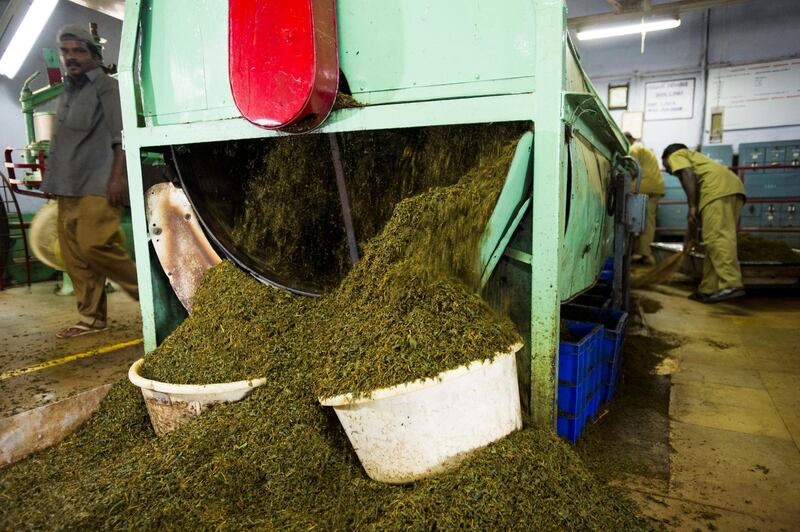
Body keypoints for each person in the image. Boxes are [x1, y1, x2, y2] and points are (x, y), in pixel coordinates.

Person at [41, 24, 138, 338]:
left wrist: (117, 177)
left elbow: (120, 135)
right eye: (66, 51)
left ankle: (156, 294)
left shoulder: (105, 87)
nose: (71, 57)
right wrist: (51, 183)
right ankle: (92, 318)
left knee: (95, 245)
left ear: (94, 55)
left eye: (79, 51)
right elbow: (61, 142)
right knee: (74, 256)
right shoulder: (68, 91)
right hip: (66, 187)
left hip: (97, 183)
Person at [662, 143, 746, 303]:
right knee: (712, 241)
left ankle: (731, 283)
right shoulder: (698, 167)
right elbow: (693, 217)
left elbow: (687, 173)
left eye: (665, 164)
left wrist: (693, 206)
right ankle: (709, 288)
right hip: (732, 188)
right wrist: (689, 238)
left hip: (718, 191)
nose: (667, 170)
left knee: (717, 238)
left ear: (668, 156)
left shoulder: (678, 156)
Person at [625, 133, 664, 265]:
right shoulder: (646, 149)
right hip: (655, 186)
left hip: (644, 185)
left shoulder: (634, 149)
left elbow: (632, 168)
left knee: (633, 219)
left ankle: (643, 254)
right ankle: (644, 252)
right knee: (648, 221)